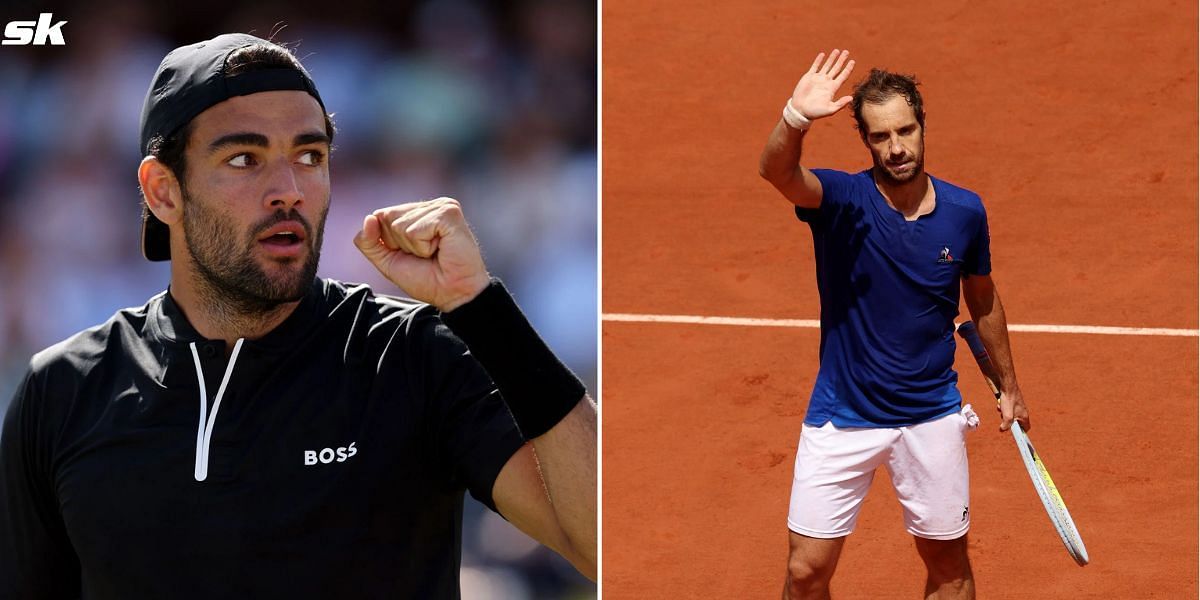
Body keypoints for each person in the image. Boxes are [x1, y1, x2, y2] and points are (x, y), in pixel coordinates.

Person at [0, 33, 596, 599]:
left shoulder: (415, 352)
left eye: (309, 155)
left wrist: (483, 307)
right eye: (244, 159)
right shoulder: (63, 390)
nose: (288, 189)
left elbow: (615, 544)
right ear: (162, 192)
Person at [758, 49, 1030, 600]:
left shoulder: (965, 212)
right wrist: (795, 117)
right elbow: (777, 172)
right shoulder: (842, 200)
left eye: (905, 130)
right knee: (805, 573)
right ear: (865, 139)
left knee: (949, 567)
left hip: (931, 415)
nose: (897, 147)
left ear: (922, 126)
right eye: (881, 136)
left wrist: (1010, 386)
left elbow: (982, 300)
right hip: (842, 414)